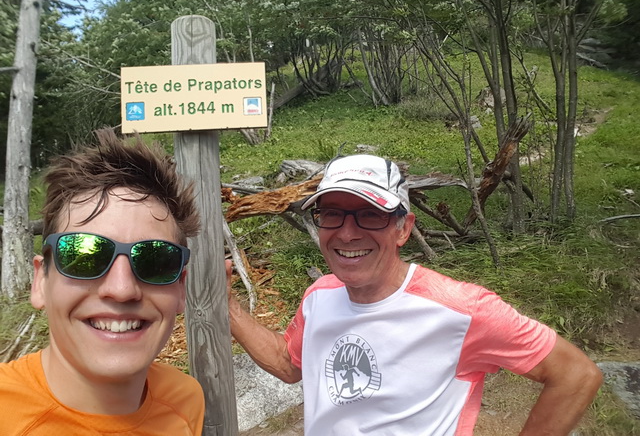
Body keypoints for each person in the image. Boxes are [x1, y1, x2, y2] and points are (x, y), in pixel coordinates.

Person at [227, 154, 603, 436]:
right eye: (332, 214)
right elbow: (289, 364)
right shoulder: (320, 295)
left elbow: (575, 374)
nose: (346, 233)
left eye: (370, 215)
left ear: (403, 229)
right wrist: (227, 306)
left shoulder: (462, 310)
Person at [0, 129, 205, 435]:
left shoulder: (186, 400)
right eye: (83, 256)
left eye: (154, 260)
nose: (122, 289)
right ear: (40, 282)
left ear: (180, 289)